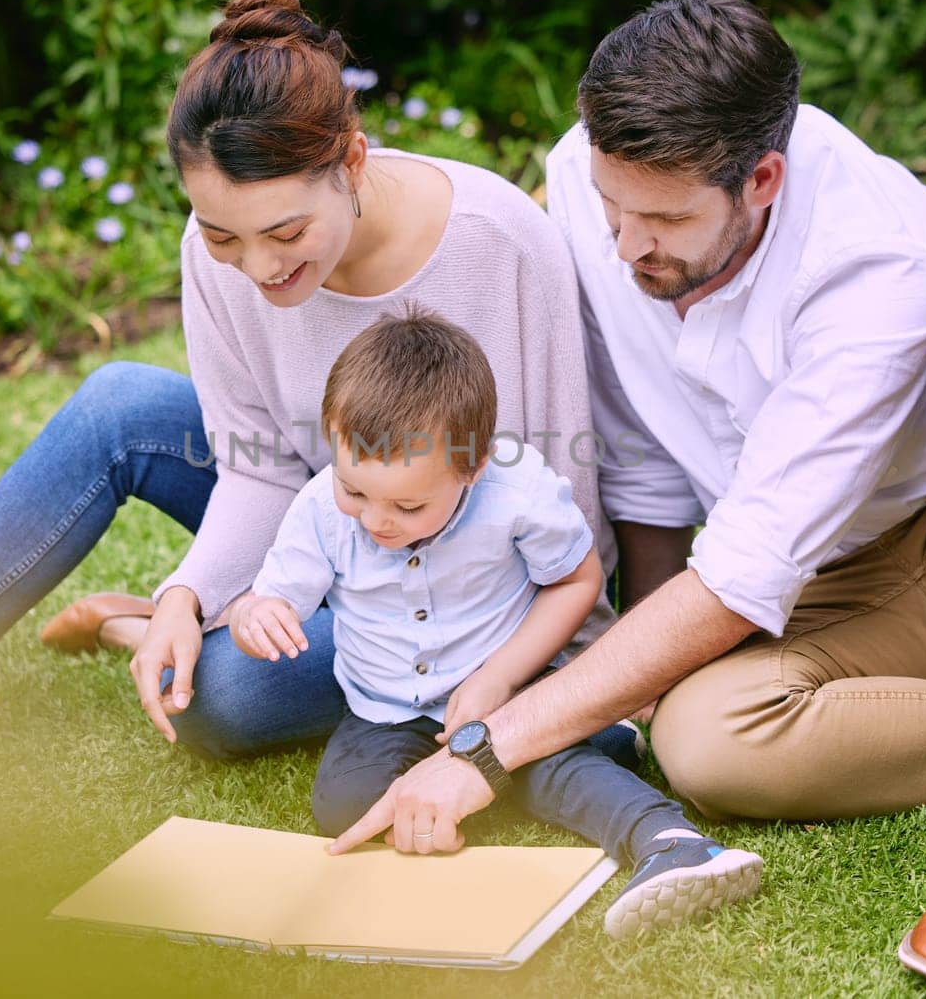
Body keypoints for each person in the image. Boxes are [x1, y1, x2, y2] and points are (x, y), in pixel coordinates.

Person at [329, 0, 926, 995]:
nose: (624, 245)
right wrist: (639, 663)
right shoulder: (585, 176)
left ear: (764, 177)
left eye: (661, 218)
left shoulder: (872, 255)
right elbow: (646, 451)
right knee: (703, 737)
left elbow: (743, 575)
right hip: (873, 584)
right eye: (613, 208)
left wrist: (483, 750)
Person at [0, 0, 625, 767]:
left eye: (286, 233)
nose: (256, 267)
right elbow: (257, 467)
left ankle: (135, 624)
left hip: (463, 579)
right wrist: (191, 592)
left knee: (211, 699)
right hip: (321, 516)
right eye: (224, 236)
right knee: (119, 403)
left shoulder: (501, 244)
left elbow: (559, 482)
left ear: (354, 164)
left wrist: (562, 677)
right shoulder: (213, 251)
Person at [234, 308, 762, 937]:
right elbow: (270, 597)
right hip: (384, 707)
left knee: (549, 769)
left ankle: (670, 840)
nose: (376, 520)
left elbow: (576, 580)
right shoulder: (322, 506)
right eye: (356, 491)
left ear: (473, 466)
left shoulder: (517, 491)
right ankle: (515, 780)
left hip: (509, 699)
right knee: (347, 803)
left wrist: (499, 677)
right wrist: (256, 614)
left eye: (408, 504)